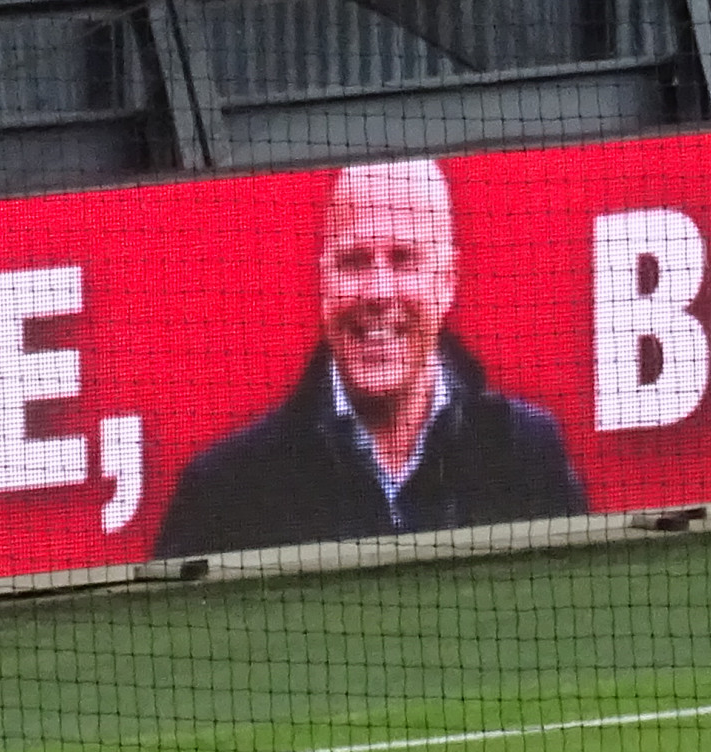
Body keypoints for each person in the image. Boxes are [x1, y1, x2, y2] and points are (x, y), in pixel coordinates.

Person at [148, 155, 587, 552]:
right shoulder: (230, 489)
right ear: (323, 282)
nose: (378, 292)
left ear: (447, 281)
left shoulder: (524, 453)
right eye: (354, 261)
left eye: (403, 259)